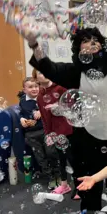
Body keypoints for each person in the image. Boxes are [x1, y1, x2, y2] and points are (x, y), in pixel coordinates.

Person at [25, 9, 107, 211]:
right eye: (86, 40)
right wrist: (34, 45)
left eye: (96, 39)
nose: (93, 42)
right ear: (78, 47)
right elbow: (48, 67)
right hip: (86, 140)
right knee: (90, 187)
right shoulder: (75, 71)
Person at [34, 69, 78, 198]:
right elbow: (44, 118)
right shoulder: (40, 96)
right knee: (61, 159)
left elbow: (73, 107)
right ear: (37, 79)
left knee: (73, 159)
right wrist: (48, 133)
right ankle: (64, 185)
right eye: (40, 73)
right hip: (56, 132)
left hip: (69, 129)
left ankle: (79, 186)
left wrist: (58, 107)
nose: (44, 73)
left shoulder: (60, 88)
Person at [18, 77, 58, 190]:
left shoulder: (44, 98)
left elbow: (52, 109)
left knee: (51, 152)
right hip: (31, 135)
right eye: (30, 87)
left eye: (36, 86)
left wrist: (42, 111)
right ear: (24, 90)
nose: (34, 89)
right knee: (40, 157)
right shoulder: (23, 101)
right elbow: (22, 113)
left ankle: (58, 175)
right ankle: (50, 177)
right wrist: (22, 120)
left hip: (46, 131)